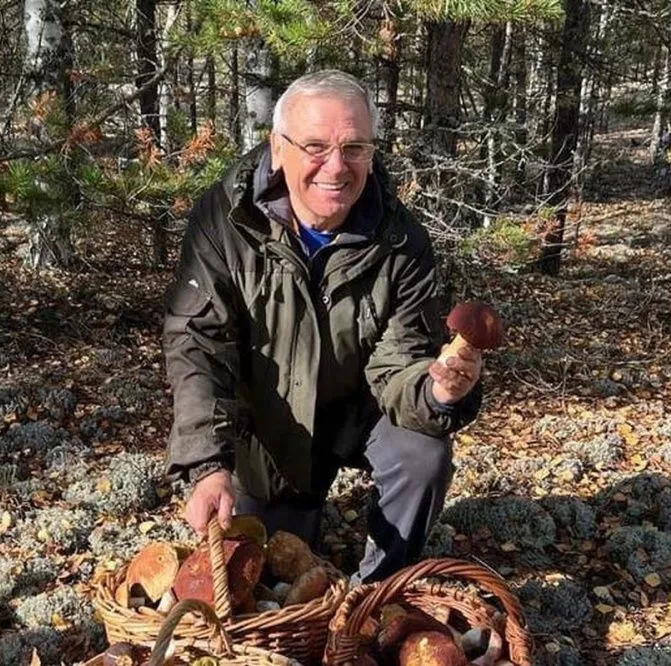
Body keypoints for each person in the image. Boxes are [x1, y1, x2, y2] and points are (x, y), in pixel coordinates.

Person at [162, 70, 483, 583]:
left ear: (373, 152)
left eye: (355, 148)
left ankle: (378, 596)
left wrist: (438, 391)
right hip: (269, 427)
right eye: (315, 146)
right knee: (270, 573)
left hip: (358, 413)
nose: (336, 167)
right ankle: (293, 502)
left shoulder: (401, 241)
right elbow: (199, 344)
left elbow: (400, 363)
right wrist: (207, 466)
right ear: (277, 146)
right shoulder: (226, 220)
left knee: (423, 454)